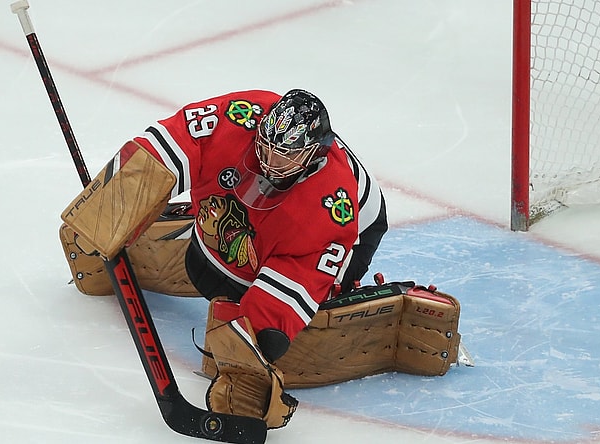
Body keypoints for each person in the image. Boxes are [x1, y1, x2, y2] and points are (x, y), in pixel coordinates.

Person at [61, 89, 388, 428]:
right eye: (267, 147)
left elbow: (300, 270)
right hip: (264, 217)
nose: (270, 161)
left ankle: (328, 294)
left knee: (273, 327)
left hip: (354, 230)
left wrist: (250, 345)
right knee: (228, 219)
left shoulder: (331, 208)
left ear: (314, 156)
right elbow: (181, 138)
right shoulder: (241, 116)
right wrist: (122, 194)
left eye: (285, 156)